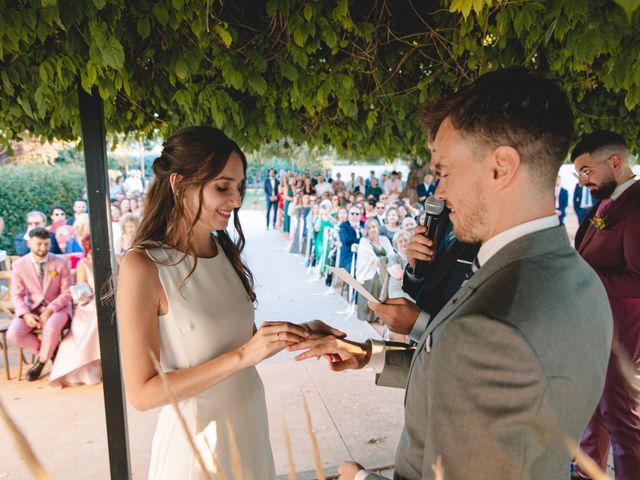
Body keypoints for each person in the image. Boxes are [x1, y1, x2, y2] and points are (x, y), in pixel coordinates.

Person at [290, 68, 613, 480]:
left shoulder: (490, 325)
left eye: (444, 172)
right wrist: (369, 356)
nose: (438, 192)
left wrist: (358, 478)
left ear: (501, 167)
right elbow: (477, 388)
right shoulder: (581, 280)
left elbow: (474, 362)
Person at [117, 127, 336, 480]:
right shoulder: (144, 266)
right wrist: (243, 357)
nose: (235, 200)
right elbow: (143, 393)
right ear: (179, 184)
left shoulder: (225, 252)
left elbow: (246, 344)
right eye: (223, 187)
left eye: (239, 187)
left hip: (248, 428)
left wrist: (307, 331)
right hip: (198, 446)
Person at [571, 131, 640, 478]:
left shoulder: (638, 206)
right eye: (578, 174)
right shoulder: (608, 203)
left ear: (615, 162)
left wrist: (587, 275)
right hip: (595, 329)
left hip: (622, 336)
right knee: (592, 412)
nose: (583, 181)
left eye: (586, 171)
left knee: (620, 418)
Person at [7, 227, 72, 381]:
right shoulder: (19, 265)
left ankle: (41, 363)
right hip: (31, 309)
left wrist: (50, 310)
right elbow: (16, 294)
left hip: (58, 309)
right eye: (39, 244)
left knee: (50, 328)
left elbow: (67, 292)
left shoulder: (61, 262)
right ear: (29, 243)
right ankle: (52, 353)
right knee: (13, 334)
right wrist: (25, 314)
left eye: (46, 244)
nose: (43, 248)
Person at [49, 235, 101, 387]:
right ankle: (89, 365)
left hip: (114, 299)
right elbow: (82, 290)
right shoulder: (83, 264)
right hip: (90, 303)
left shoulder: (114, 259)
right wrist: (89, 296)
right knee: (97, 318)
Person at [355, 219, 392, 323]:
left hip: (387, 268)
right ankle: (374, 315)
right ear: (366, 230)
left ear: (378, 228)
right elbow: (369, 259)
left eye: (374, 226)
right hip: (370, 270)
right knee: (377, 282)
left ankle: (386, 315)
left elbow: (391, 253)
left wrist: (386, 262)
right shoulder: (364, 241)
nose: (372, 229)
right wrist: (383, 261)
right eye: (369, 227)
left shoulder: (384, 239)